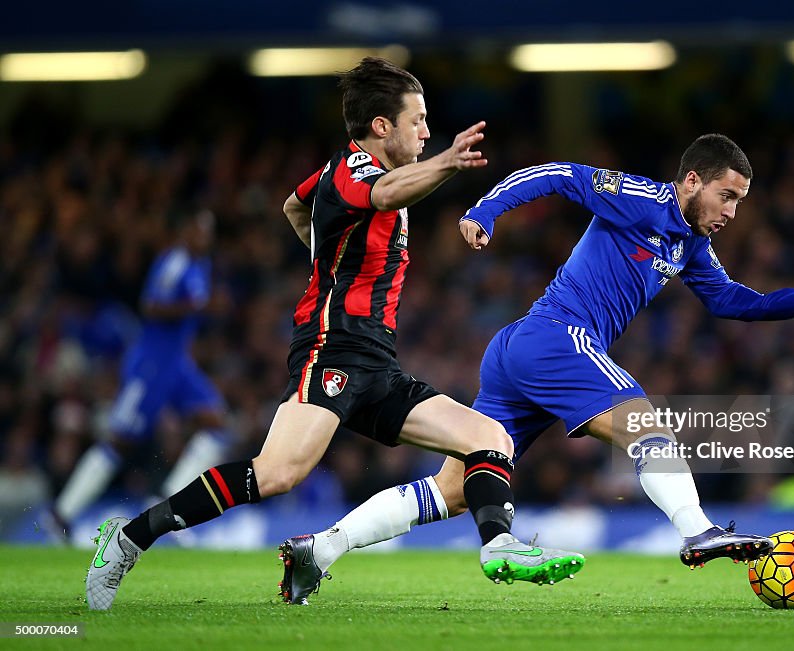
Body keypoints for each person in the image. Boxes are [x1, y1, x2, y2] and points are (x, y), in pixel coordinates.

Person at [84, 57, 583, 611]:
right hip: (332, 350)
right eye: (416, 121)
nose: (425, 131)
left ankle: (500, 547)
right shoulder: (354, 171)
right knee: (275, 474)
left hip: (376, 361)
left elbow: (295, 205)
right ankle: (128, 538)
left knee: (490, 438)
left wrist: (329, 260)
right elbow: (386, 194)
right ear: (380, 127)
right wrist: (445, 162)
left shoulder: (332, 177)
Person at [280, 133, 794, 604]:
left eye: (740, 202)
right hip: (555, 337)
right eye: (726, 196)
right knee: (646, 426)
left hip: (519, 352)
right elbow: (556, 174)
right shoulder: (641, 197)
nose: (732, 212)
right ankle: (696, 530)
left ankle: (319, 549)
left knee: (454, 490)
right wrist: (486, 210)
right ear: (693, 181)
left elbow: (731, 300)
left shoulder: (690, 246)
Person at [48, 207, 232, 541]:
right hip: (151, 363)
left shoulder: (200, 264)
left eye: (209, 231)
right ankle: (60, 514)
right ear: (186, 231)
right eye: (200, 230)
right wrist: (198, 308)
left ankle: (170, 505)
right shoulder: (174, 261)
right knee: (121, 440)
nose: (205, 237)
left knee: (217, 424)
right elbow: (151, 306)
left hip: (177, 364)